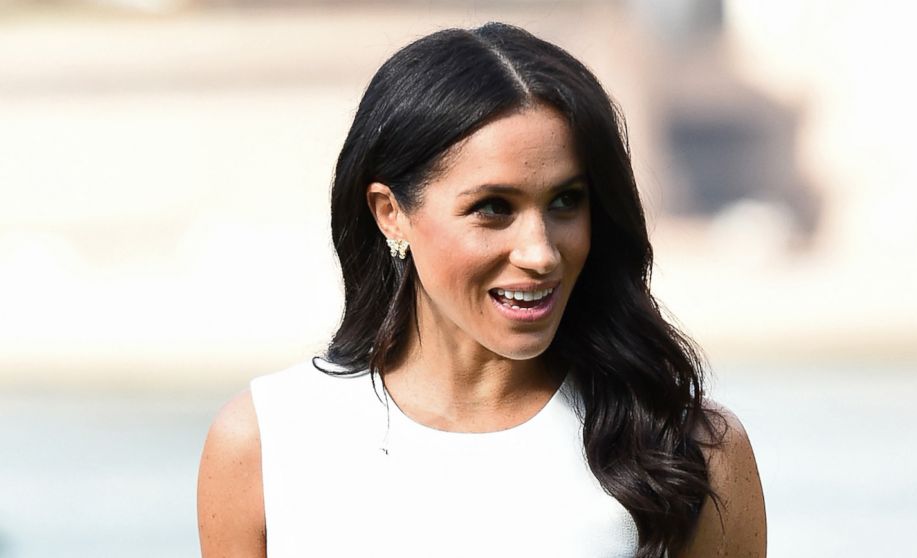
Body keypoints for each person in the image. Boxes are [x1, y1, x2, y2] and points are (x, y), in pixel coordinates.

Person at [197, 22, 765, 558]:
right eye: (493, 208)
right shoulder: (264, 444)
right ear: (390, 213)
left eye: (566, 201)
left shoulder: (692, 452)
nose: (540, 252)